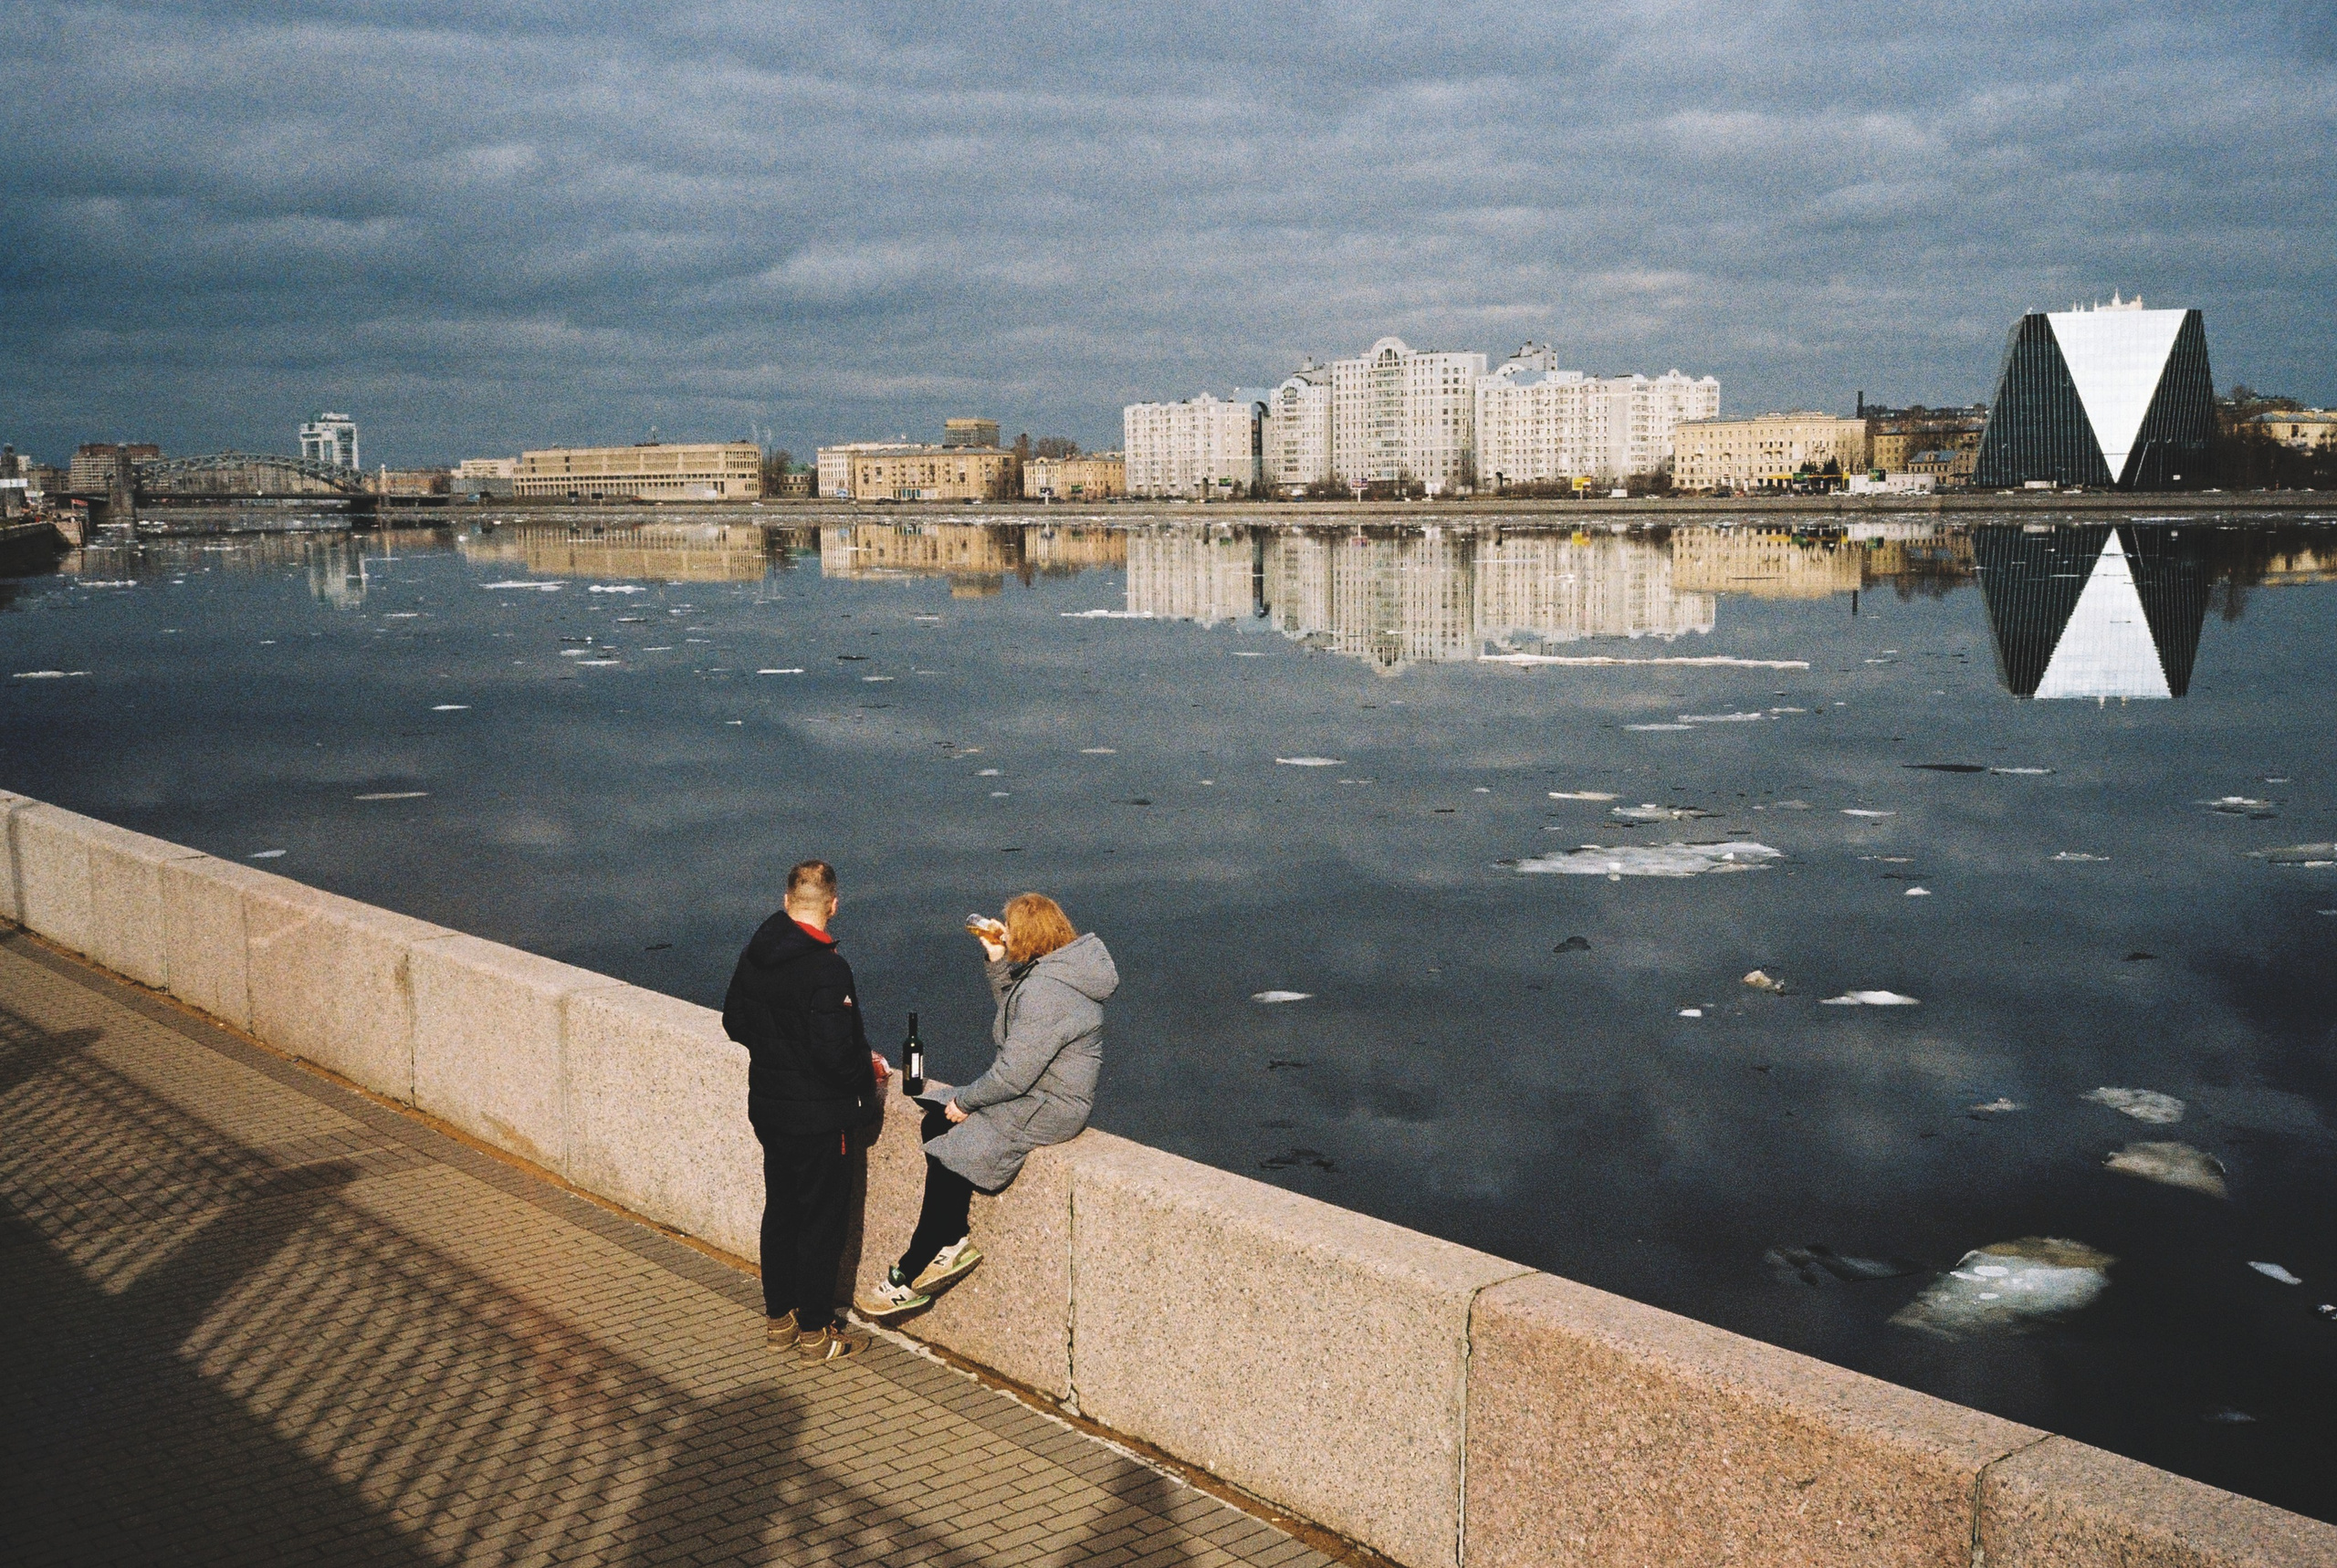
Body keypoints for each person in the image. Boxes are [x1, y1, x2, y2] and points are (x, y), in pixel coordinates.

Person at [859, 893, 1116, 1319]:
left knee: (953, 1148)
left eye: (1011, 928)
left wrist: (966, 1100)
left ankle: (909, 1271)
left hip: (1049, 1104)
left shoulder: (1050, 991)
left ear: (1029, 935)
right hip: (1035, 1091)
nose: (1005, 931)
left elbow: (1014, 1072)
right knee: (936, 1125)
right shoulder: (1053, 976)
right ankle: (954, 1238)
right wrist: (998, 959)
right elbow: (1020, 1021)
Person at [722, 860, 888, 1362]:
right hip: (820, 1119)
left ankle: (779, 1319)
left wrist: (780, 1054)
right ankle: (817, 1332)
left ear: (786, 900)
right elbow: (836, 1058)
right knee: (821, 1222)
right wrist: (870, 1071)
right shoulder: (827, 967)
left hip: (770, 1109)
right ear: (833, 906)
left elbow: (734, 1021)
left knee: (781, 1211)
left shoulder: (756, 953)